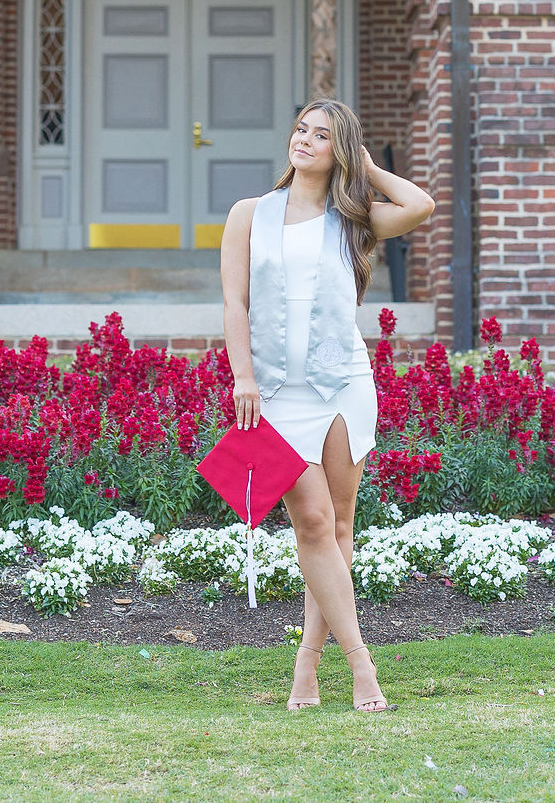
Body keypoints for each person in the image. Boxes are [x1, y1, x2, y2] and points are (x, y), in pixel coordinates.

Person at [220, 98, 436, 712]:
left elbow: (419, 206)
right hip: (275, 395)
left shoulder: (355, 216)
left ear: (338, 150)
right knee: (311, 523)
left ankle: (306, 668)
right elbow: (235, 304)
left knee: (340, 529)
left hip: (342, 385)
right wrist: (243, 377)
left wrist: (363, 165)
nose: (305, 141)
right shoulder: (248, 216)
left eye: (321, 136)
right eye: (300, 130)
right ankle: (361, 666)